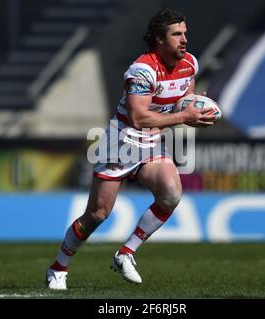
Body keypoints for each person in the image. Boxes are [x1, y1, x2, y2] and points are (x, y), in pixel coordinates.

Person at [46, 8, 217, 290]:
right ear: (159, 39)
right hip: (121, 144)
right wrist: (184, 118)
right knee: (98, 215)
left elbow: (184, 103)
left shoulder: (189, 65)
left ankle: (125, 253)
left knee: (172, 194)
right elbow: (139, 118)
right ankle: (58, 268)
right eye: (177, 34)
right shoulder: (142, 70)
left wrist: (198, 112)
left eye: (185, 33)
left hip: (151, 145)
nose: (184, 39)